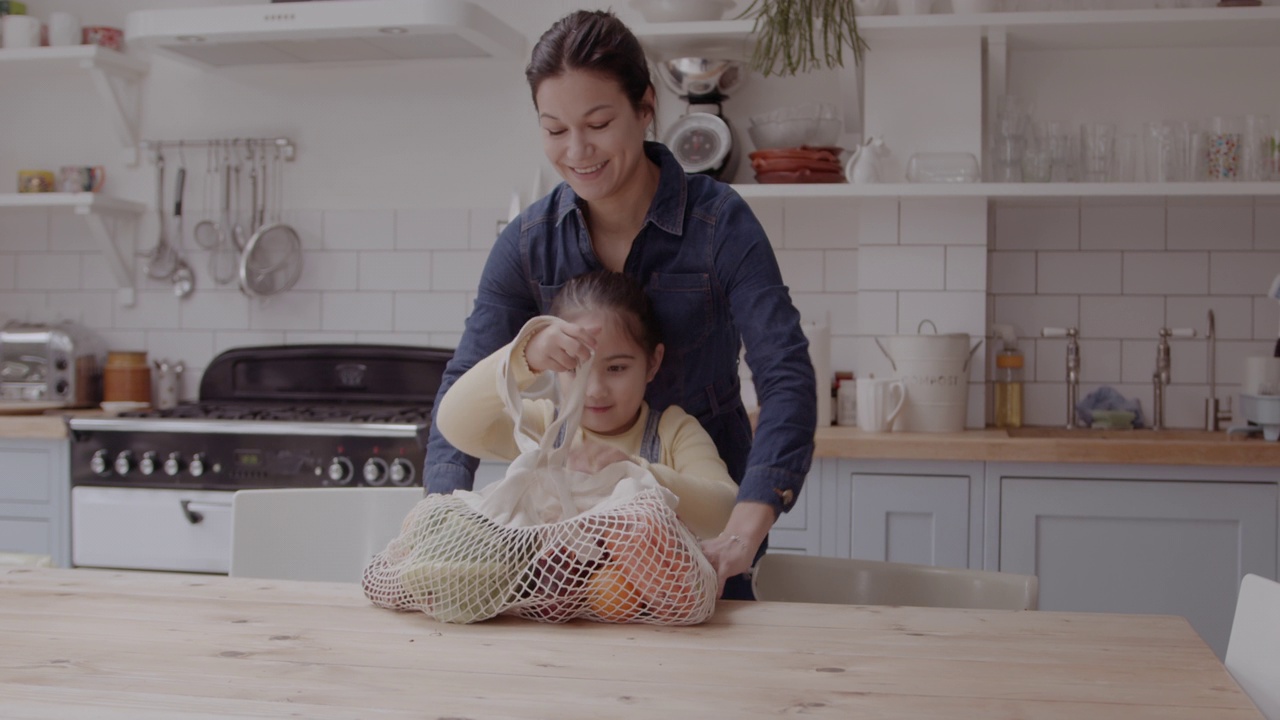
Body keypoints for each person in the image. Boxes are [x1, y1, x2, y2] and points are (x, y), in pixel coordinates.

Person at [425, 9, 816, 599]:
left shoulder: (719, 225)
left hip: (703, 533)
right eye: (554, 130)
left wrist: (741, 531)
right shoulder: (529, 243)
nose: (577, 150)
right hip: (572, 543)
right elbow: (466, 388)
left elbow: (785, 379)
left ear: (645, 108)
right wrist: (438, 525)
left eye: (599, 122)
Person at [435, 270, 738, 541]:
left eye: (616, 368)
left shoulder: (674, 432)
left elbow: (725, 511)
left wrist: (637, 472)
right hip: (547, 601)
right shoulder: (546, 427)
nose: (594, 391)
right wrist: (525, 355)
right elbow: (455, 424)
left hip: (645, 602)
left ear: (653, 362)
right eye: (575, 368)